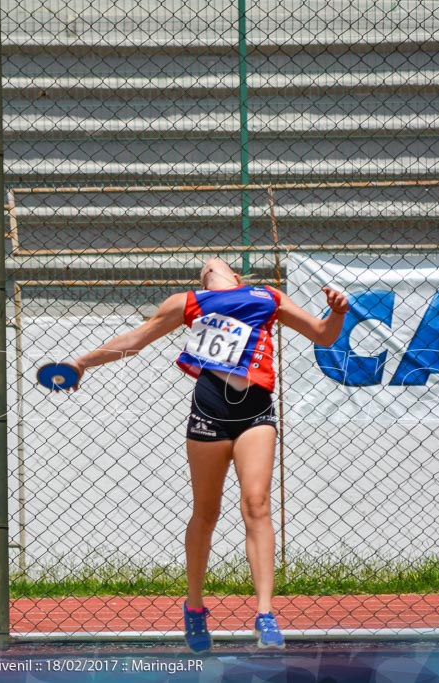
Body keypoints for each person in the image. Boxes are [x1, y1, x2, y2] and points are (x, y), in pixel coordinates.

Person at [63, 257, 349, 652]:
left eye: (217, 264)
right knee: (206, 511)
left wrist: (337, 313)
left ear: (235, 276)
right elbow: (136, 338)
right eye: (201, 269)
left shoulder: (268, 297)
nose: (207, 266)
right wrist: (81, 363)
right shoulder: (187, 302)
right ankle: (194, 608)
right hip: (209, 412)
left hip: (256, 412)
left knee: (257, 504)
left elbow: (323, 335)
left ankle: (265, 613)